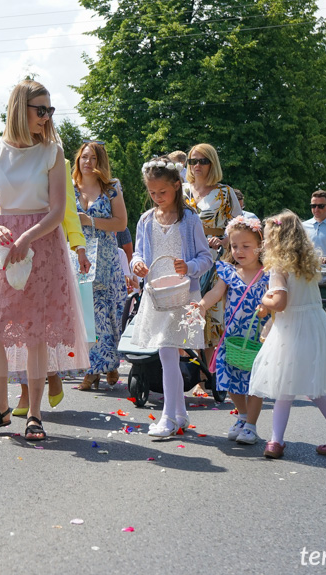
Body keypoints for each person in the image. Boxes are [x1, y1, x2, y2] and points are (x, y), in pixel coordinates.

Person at [0, 79, 90, 441]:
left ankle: (34, 413)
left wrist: (26, 236)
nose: (46, 117)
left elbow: (57, 210)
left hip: (41, 241)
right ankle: (2, 408)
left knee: (36, 333)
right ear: (19, 109)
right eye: (41, 110)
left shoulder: (53, 152)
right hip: (3, 243)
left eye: (50, 110)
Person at [249, 211, 326, 459]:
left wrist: (264, 299)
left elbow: (280, 302)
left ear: (277, 238)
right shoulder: (308, 262)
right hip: (313, 324)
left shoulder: (279, 265)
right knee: (313, 386)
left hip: (291, 329)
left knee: (287, 385)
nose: (265, 243)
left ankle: (276, 442)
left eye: (267, 238)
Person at [131, 156, 212, 437]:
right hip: (157, 297)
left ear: (177, 185)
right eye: (152, 193)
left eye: (162, 192)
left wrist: (188, 267)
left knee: (168, 353)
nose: (157, 197)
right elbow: (138, 253)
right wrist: (136, 264)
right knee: (167, 355)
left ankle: (169, 416)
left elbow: (206, 257)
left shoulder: (189, 220)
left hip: (183, 295)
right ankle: (178, 414)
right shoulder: (145, 220)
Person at [196, 216, 268, 445]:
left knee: (255, 382)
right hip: (233, 337)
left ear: (260, 245)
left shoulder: (267, 274)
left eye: (246, 246)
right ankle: (243, 415)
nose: (239, 251)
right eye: (235, 246)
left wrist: (267, 307)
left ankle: (252, 425)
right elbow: (216, 293)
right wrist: (202, 305)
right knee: (231, 380)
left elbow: (277, 299)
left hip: (259, 337)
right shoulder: (229, 272)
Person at [71, 141, 128, 390]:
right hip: (78, 258)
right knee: (86, 315)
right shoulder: (70, 188)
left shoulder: (111, 188)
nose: (88, 163)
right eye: (84, 157)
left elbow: (120, 224)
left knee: (110, 315)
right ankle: (93, 369)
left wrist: (90, 221)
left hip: (105, 259)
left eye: (93, 158)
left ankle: (110, 364)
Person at [183, 143, 242, 374]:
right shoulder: (182, 191)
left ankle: (210, 375)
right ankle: (193, 375)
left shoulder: (225, 192)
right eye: (192, 161)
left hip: (215, 259)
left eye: (202, 161)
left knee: (211, 316)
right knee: (188, 313)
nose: (197, 166)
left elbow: (238, 225)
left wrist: (224, 241)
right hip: (187, 259)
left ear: (212, 164)